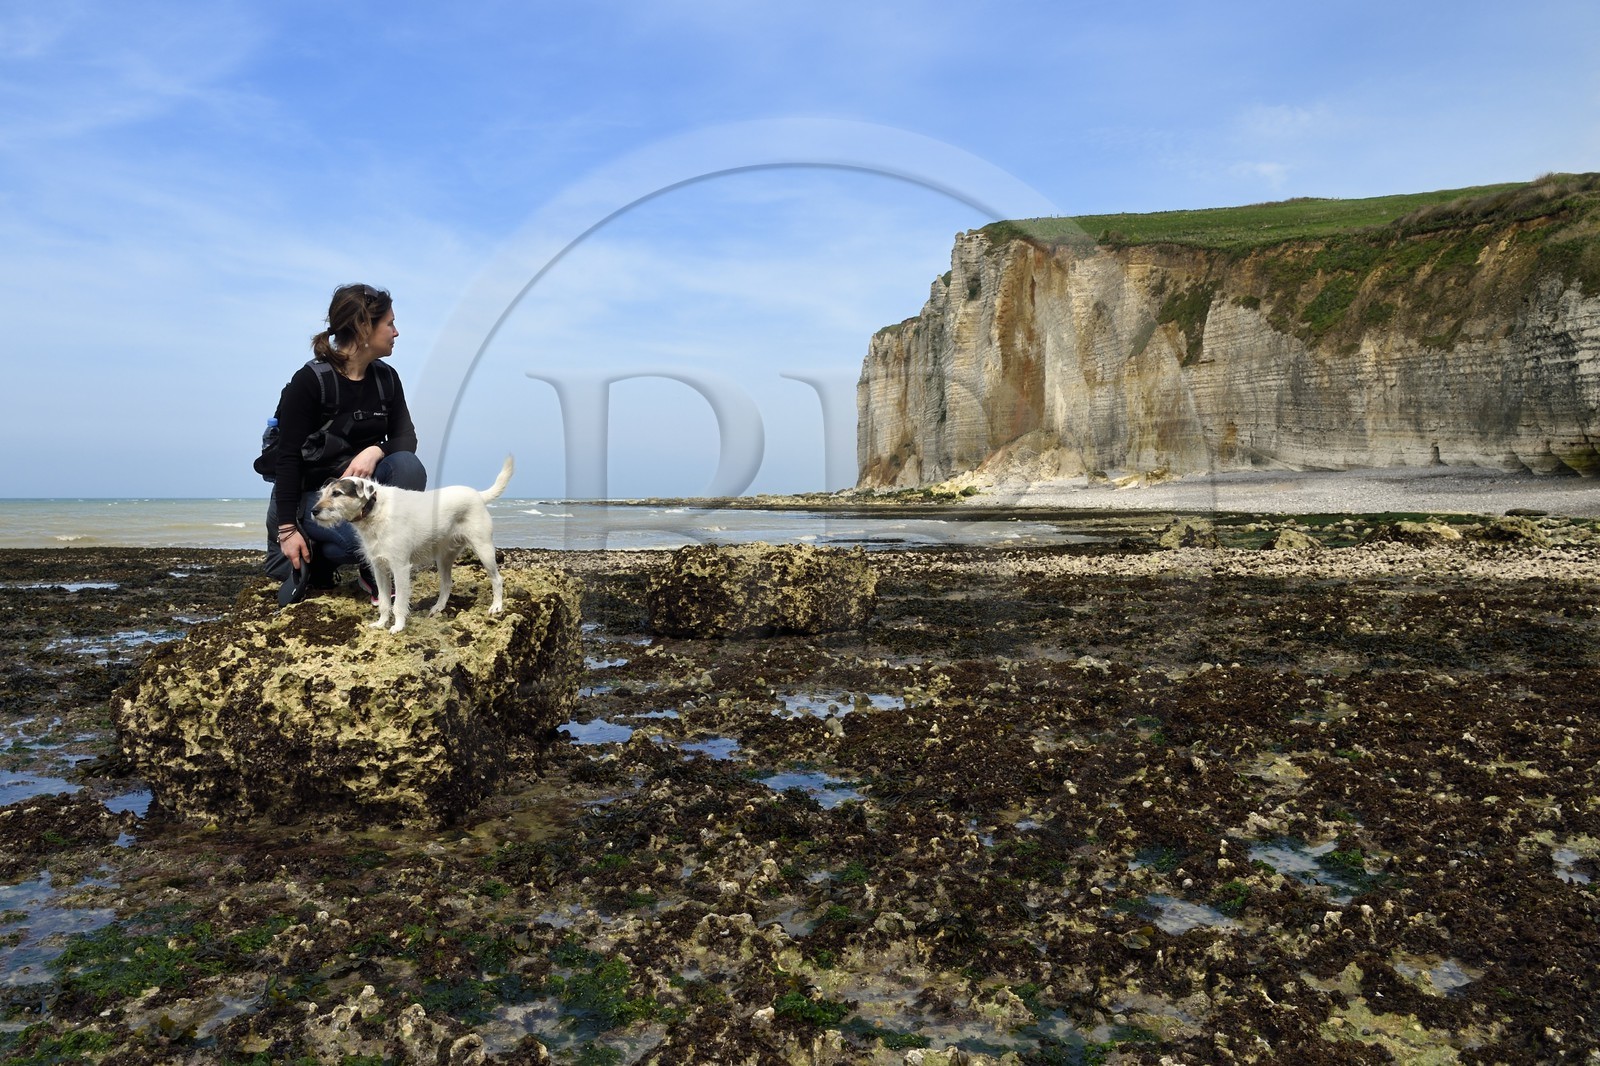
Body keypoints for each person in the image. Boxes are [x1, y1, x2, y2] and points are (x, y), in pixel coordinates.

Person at [263, 284, 427, 606]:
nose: (397, 332)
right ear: (364, 326)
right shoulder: (310, 381)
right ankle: (318, 553)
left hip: (352, 499)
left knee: (409, 466)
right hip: (310, 499)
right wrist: (286, 529)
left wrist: (376, 450)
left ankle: (366, 569)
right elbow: (287, 458)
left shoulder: (387, 379)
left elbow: (407, 439)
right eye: (390, 324)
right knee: (359, 542)